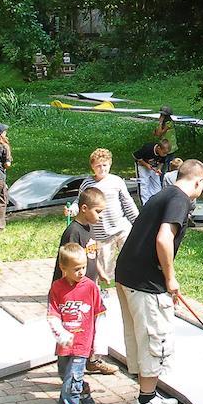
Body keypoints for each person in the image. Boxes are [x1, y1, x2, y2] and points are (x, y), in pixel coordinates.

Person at [114, 159, 203, 404]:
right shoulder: (180, 199)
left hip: (128, 273)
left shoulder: (163, 194)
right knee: (155, 337)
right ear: (198, 181)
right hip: (145, 280)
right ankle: (145, 401)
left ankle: (150, 393)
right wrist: (171, 278)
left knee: (141, 335)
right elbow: (163, 238)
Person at [52, 188, 119, 377]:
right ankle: (68, 370)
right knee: (74, 327)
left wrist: (100, 273)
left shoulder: (89, 228)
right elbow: (67, 263)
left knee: (93, 324)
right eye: (98, 211)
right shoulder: (73, 232)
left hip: (88, 288)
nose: (100, 216)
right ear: (83, 208)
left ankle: (91, 359)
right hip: (74, 292)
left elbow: (91, 254)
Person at [47, 243, 105, 404]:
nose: (81, 272)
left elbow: (99, 313)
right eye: (76, 269)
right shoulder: (57, 288)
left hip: (82, 342)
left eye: (83, 267)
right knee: (65, 375)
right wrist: (60, 333)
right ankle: (83, 393)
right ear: (63, 268)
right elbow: (53, 314)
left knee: (72, 378)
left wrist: (98, 342)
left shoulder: (90, 287)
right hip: (64, 343)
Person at [65, 148, 140, 286]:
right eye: (98, 166)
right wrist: (72, 210)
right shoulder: (88, 184)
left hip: (121, 228)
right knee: (105, 265)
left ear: (110, 165)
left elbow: (128, 203)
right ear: (92, 167)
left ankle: (131, 284)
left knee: (131, 257)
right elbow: (79, 202)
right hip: (101, 234)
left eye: (105, 165)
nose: (102, 168)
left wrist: (139, 222)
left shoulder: (117, 181)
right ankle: (103, 289)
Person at [133, 138, 170, 205]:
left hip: (154, 166)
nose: (165, 155)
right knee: (144, 184)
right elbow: (136, 156)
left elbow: (162, 162)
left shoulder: (164, 153)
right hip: (142, 166)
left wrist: (159, 169)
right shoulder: (148, 148)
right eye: (164, 153)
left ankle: (156, 203)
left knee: (157, 185)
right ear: (158, 148)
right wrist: (146, 165)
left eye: (166, 153)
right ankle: (145, 204)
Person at [153, 106, 178, 175]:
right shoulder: (162, 124)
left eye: (162, 115)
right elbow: (156, 133)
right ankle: (162, 180)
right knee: (162, 165)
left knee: (168, 165)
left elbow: (159, 133)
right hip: (163, 147)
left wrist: (160, 123)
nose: (161, 116)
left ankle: (168, 179)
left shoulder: (169, 123)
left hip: (170, 148)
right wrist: (159, 125)